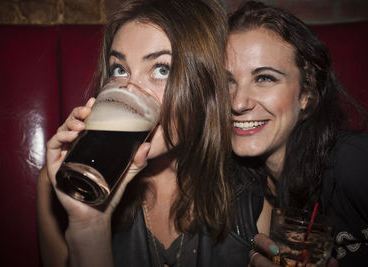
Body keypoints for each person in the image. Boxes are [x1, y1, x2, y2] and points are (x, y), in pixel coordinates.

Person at [37, 0, 255, 266]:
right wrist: (89, 224)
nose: (129, 90)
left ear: (207, 87)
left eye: (162, 69)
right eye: (120, 69)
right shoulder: (58, 184)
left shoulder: (252, 192)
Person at [226, 1, 368, 266]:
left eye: (265, 78)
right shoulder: (236, 185)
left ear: (307, 94)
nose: (238, 103)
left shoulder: (357, 164)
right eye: (226, 81)